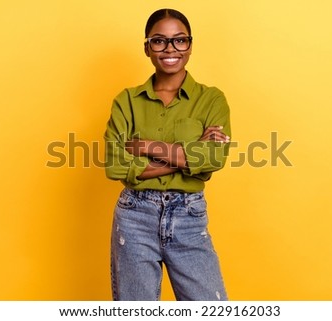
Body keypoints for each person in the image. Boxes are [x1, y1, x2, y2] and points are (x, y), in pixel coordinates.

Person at [104, 8, 231, 301]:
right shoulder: (127, 101)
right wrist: (191, 160)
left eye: (180, 40)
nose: (170, 49)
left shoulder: (211, 99)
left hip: (189, 215)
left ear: (190, 45)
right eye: (159, 41)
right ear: (147, 47)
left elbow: (214, 158)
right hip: (135, 216)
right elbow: (115, 166)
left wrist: (146, 146)